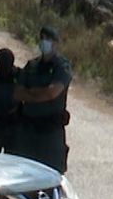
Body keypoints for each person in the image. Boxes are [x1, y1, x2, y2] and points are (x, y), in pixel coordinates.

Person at [13, 26, 72, 173]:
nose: (44, 42)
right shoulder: (31, 65)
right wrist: (41, 93)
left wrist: (31, 92)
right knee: (24, 171)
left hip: (50, 131)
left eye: (48, 40)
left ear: (55, 44)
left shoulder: (62, 66)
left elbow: (52, 93)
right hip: (28, 129)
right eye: (43, 38)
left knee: (52, 172)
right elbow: (18, 94)